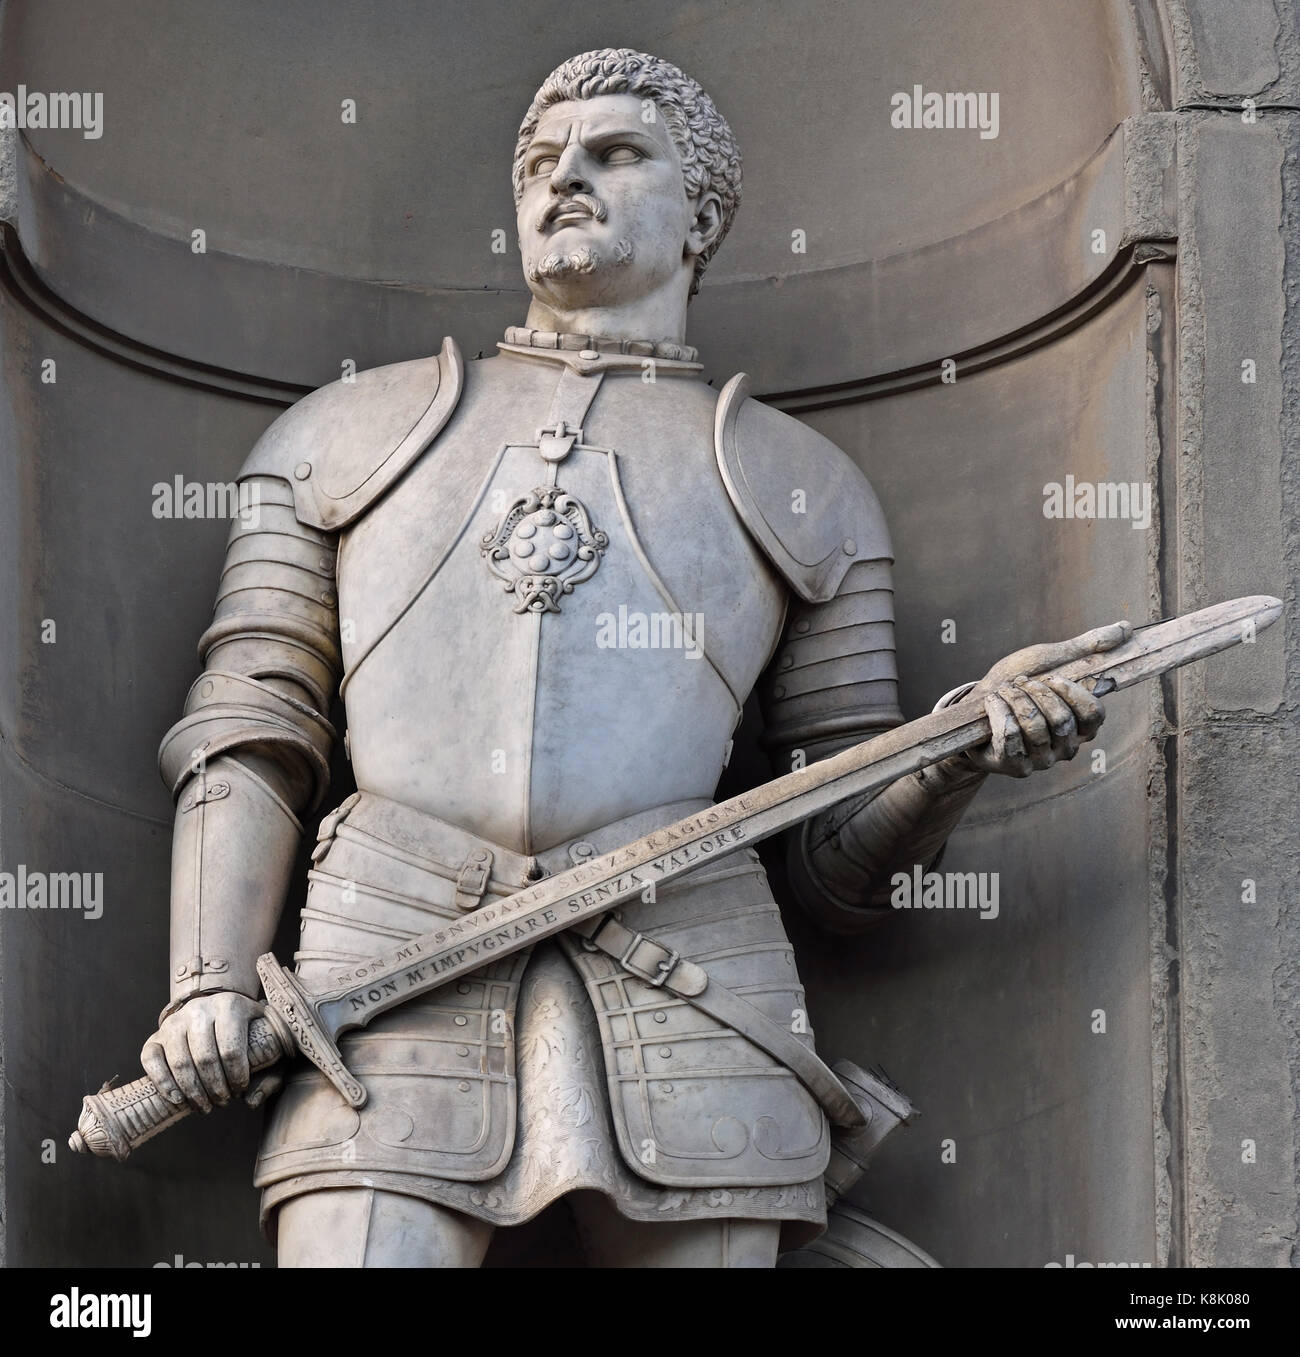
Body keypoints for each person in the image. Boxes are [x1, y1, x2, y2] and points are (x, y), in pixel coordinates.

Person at [140, 48, 1111, 1268]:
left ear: (701, 212)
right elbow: (251, 724)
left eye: (616, 155)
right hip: (385, 964)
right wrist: (209, 981)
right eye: (541, 163)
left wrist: (962, 751)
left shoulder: (804, 483)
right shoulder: (342, 431)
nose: (566, 181)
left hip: (692, 981)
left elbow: (836, 867)